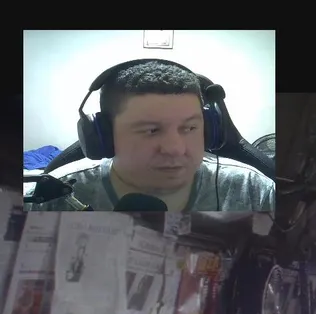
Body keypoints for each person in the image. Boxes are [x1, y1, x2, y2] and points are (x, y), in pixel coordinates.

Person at [24, 60, 274, 212]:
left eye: (189, 128)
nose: (176, 149)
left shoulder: (254, 190)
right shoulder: (52, 196)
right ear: (104, 137)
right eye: (151, 130)